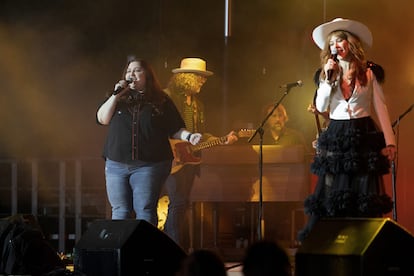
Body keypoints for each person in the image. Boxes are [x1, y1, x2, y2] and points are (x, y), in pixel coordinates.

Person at [298, 18, 397, 242]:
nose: (336, 46)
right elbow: (321, 107)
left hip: (363, 132)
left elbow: (381, 107)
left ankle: (362, 240)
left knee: (363, 187)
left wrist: (389, 141)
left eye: (339, 41)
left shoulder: (369, 72)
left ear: (350, 43)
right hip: (336, 133)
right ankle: (330, 240)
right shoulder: (325, 75)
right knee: (333, 186)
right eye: (332, 43)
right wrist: (327, 79)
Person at [96, 56, 202, 226]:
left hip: (148, 165)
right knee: (120, 210)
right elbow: (102, 119)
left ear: (147, 76)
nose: (132, 74)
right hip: (116, 164)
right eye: (129, 71)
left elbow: (175, 128)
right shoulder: (118, 99)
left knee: (144, 209)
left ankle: (145, 250)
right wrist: (116, 95)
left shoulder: (161, 100)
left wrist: (190, 137)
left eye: (137, 70)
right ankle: (122, 251)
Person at [163, 57, 238, 251]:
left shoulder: (198, 105)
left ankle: (181, 249)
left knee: (184, 205)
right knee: (178, 203)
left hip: (189, 161)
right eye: (200, 77)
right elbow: (160, 128)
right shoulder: (167, 98)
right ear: (187, 77)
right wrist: (171, 147)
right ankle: (174, 252)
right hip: (170, 158)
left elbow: (199, 134)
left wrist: (222, 139)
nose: (203, 82)